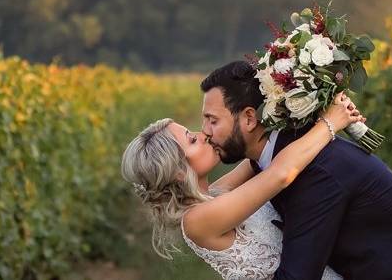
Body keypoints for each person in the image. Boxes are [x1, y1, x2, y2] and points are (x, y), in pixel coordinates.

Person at [200, 61, 392, 280]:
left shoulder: (315, 172)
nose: (205, 131)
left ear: (249, 118)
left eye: (212, 120)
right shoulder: (276, 158)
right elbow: (222, 192)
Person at [121, 91, 361, 280]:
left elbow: (255, 157)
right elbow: (280, 173)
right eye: (192, 139)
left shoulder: (214, 194)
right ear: (178, 172)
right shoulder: (196, 221)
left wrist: (291, 103)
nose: (203, 134)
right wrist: (330, 123)